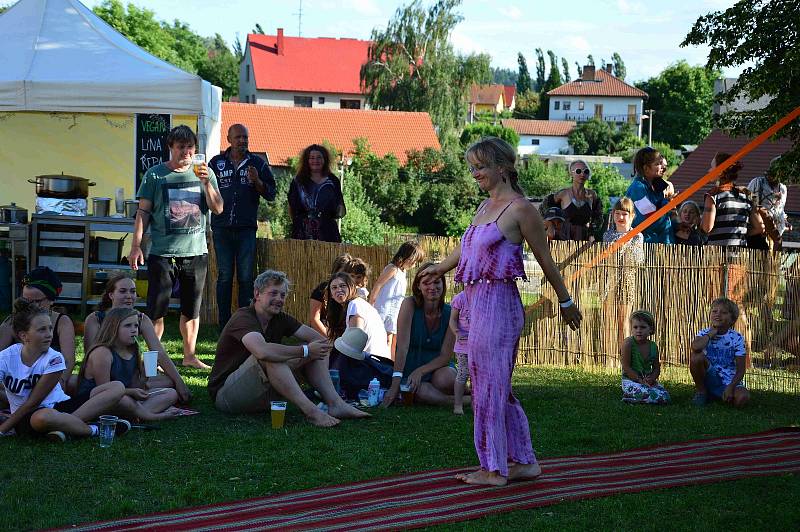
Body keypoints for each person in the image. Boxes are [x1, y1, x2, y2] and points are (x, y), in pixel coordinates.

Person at [421, 137, 582, 486]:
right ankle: (523, 461)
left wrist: (566, 302)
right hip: (477, 302)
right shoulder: (484, 207)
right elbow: (466, 252)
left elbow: (545, 259)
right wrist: (439, 268)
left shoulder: (522, 209)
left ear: (503, 167)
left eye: (480, 166)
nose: (474, 173)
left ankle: (493, 469)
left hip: (499, 305)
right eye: (472, 167)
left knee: (488, 389)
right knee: (494, 387)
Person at [208, 270, 367, 426]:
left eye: (283, 295)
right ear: (257, 294)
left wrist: (311, 353)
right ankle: (312, 413)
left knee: (315, 348)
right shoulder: (243, 317)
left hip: (261, 393)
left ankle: (335, 403)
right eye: (273, 293)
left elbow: (321, 341)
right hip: (227, 396)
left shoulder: (280, 318)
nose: (279, 299)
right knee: (272, 356)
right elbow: (261, 351)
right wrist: (304, 352)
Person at [128, 125, 223, 370]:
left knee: (191, 308)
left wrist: (206, 184)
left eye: (190, 147)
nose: (186, 152)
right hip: (162, 252)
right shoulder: (155, 175)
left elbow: (218, 208)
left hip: (195, 251)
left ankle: (189, 356)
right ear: (170, 148)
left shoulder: (205, 173)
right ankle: (153, 359)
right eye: (181, 147)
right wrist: (136, 246)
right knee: (156, 309)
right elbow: (143, 212)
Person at [0, 298, 129, 441]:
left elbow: (33, 401)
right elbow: (30, 407)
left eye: (50, 328)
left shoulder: (55, 358)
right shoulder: (7, 357)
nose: (49, 334)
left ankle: (69, 426)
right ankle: (91, 428)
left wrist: (2, 429)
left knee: (116, 387)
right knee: (42, 417)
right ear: (24, 335)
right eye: (42, 329)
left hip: (60, 406)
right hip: (28, 417)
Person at [83, 274, 191, 403]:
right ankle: (138, 404)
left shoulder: (141, 318)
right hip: (103, 378)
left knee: (169, 381)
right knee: (76, 382)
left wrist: (179, 382)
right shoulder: (95, 319)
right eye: (122, 291)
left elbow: (158, 352)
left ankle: (136, 400)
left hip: (131, 378)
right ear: (111, 295)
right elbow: (91, 357)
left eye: (133, 291)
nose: (129, 296)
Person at [209, 123, 277, 328]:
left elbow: (271, 194)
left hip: (246, 228)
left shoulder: (257, 163)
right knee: (225, 276)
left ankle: (245, 322)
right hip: (221, 227)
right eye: (238, 137)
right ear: (229, 139)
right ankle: (224, 324)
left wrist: (257, 181)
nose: (242, 141)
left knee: (246, 277)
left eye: (245, 138)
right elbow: (206, 191)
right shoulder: (216, 162)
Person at [78, 308, 180, 421]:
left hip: (123, 397)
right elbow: (105, 392)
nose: (134, 330)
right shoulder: (102, 353)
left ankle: (134, 416)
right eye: (127, 326)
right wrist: (132, 392)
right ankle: (146, 415)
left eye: (136, 326)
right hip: (94, 402)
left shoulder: (132, 350)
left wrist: (145, 376)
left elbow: (135, 386)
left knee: (170, 393)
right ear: (113, 328)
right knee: (125, 401)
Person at [381, 264, 460, 407]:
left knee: (446, 380)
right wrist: (395, 385)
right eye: (426, 283)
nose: (432, 287)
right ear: (418, 286)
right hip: (411, 370)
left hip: (437, 368)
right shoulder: (409, 304)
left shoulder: (450, 312)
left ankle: (466, 392)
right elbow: (402, 347)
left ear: (443, 284)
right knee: (420, 392)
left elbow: (445, 356)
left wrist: (421, 371)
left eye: (436, 282)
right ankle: (459, 400)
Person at [0, 267, 76, 392]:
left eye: (37, 301)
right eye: (26, 301)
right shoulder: (11, 323)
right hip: (15, 383)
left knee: (73, 381)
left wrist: (60, 380)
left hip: (47, 380)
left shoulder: (62, 322)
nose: (31, 306)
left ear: (51, 300)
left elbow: (68, 361)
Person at [689, 298, 749, 407]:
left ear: (732, 319)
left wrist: (731, 387)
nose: (718, 314)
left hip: (729, 380)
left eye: (724, 312)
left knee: (742, 398)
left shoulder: (737, 338)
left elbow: (741, 370)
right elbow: (695, 347)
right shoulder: (704, 333)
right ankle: (702, 392)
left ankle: (720, 394)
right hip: (711, 376)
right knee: (696, 357)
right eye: (714, 311)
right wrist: (710, 334)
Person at [601, 197, 644, 349]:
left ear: (632, 216)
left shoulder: (637, 236)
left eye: (624, 214)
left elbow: (639, 260)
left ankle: (624, 353)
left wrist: (625, 247)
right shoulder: (607, 236)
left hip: (627, 282)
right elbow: (604, 260)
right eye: (617, 213)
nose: (620, 217)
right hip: (609, 281)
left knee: (624, 321)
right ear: (613, 215)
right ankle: (609, 355)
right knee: (609, 320)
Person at [370, 241, 426, 358]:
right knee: (382, 339)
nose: (414, 264)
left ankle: (390, 365)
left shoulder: (402, 272)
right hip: (383, 310)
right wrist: (371, 304)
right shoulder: (392, 269)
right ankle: (380, 362)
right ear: (405, 255)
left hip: (394, 312)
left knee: (391, 340)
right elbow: (378, 285)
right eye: (413, 260)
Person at [701, 152, 763, 248]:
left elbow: (707, 227)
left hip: (717, 255)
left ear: (720, 172)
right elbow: (759, 227)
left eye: (712, 167)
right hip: (740, 254)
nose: (709, 170)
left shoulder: (712, 195)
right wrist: (738, 235)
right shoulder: (747, 195)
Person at [324, 272, 390, 360]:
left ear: (351, 288)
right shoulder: (357, 304)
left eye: (343, 286)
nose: (339, 289)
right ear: (331, 295)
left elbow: (355, 341)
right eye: (334, 288)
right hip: (375, 360)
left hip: (371, 363)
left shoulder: (354, 305)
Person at [287, 144, 346, 242]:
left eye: (319, 157)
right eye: (312, 158)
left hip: (328, 231)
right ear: (307, 160)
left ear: (325, 160)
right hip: (303, 230)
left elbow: (339, 206)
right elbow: (292, 206)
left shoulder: (333, 181)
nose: (315, 161)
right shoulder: (298, 181)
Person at [626, 146, 677, 244]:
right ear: (646, 168)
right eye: (657, 164)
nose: (663, 167)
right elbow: (650, 220)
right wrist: (667, 203)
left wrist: (677, 225)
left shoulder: (655, 188)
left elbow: (663, 219)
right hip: (648, 247)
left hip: (660, 244)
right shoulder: (638, 189)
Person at [620, 310, 670, 404]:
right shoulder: (628, 344)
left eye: (643, 327)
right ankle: (630, 396)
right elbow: (626, 367)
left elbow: (656, 368)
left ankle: (636, 397)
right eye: (635, 327)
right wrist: (639, 380)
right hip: (631, 381)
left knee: (665, 396)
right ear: (631, 329)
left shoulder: (653, 346)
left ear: (650, 329)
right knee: (653, 396)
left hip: (647, 381)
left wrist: (652, 378)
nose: (638, 330)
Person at [551, 160, 602, 241]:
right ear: (571, 173)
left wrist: (592, 233)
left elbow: (598, 217)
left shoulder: (592, 195)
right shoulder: (562, 194)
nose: (582, 174)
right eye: (578, 171)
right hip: (564, 241)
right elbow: (546, 213)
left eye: (586, 171)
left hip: (585, 240)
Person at [748, 156, 790, 250]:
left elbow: (780, 210)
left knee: (773, 262)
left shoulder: (783, 188)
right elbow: (748, 204)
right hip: (759, 233)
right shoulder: (757, 182)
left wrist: (785, 221)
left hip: (776, 233)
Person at [308, 254, 353, 337]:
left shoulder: (353, 292)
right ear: (336, 271)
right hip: (325, 334)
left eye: (349, 274)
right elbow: (314, 319)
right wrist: (330, 339)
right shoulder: (322, 289)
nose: (345, 276)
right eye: (343, 272)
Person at [449, 290, 471, 415]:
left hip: (479, 345)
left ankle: (476, 404)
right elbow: (452, 319)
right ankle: (458, 405)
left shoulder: (484, 297)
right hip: (463, 345)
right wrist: (456, 332)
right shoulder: (460, 298)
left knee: (477, 376)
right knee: (463, 373)